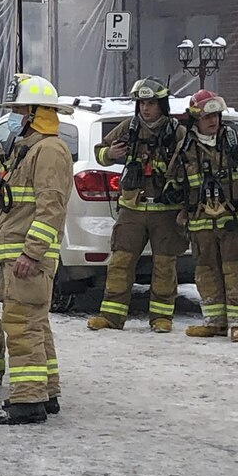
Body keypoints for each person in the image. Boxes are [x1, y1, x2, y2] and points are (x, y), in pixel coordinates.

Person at [0, 74, 73, 425]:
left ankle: (27, 399)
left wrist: (32, 253)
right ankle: (46, 392)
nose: (15, 116)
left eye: (20, 110)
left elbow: (51, 208)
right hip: (18, 253)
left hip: (27, 257)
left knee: (21, 326)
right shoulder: (31, 149)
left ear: (36, 113)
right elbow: (19, 202)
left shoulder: (48, 150)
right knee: (35, 325)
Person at [168, 90, 238, 342]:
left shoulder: (235, 141)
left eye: (215, 116)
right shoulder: (185, 148)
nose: (213, 121)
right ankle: (214, 322)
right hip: (201, 224)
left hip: (234, 222)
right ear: (196, 119)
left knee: (236, 270)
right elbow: (173, 179)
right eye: (207, 117)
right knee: (206, 272)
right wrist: (172, 191)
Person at [87, 77, 188, 333]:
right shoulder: (128, 127)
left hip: (165, 211)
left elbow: (191, 165)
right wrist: (110, 154)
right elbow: (100, 150)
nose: (145, 108)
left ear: (162, 105)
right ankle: (111, 316)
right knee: (120, 262)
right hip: (132, 209)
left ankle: (161, 317)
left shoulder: (177, 132)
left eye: (151, 103)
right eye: (142, 103)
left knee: (164, 265)